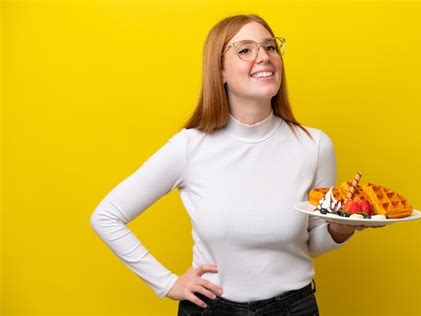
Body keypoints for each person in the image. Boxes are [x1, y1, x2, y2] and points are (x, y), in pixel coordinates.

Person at [90, 14, 369, 316]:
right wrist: (167, 283)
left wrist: (341, 229)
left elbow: (313, 241)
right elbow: (106, 216)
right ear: (219, 70)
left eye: (270, 47)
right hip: (211, 310)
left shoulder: (314, 146)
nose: (264, 57)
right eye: (245, 50)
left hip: (293, 309)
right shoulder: (190, 147)